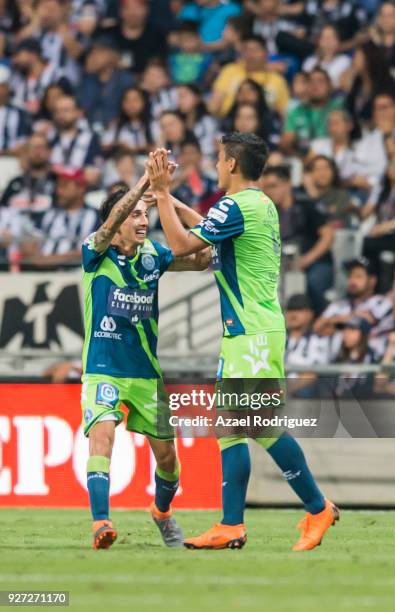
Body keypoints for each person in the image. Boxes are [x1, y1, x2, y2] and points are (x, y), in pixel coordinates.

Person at [147, 134, 339, 552]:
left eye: (218, 160)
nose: (216, 166)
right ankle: (258, 519)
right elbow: (210, 226)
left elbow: (182, 244)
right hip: (255, 330)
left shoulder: (237, 206)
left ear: (232, 163)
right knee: (246, 426)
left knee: (245, 426)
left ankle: (300, 510)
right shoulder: (260, 203)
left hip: (250, 333)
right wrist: (173, 202)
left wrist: (162, 194)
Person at [79, 167, 211, 549]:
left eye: (145, 214)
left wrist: (166, 196)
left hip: (146, 374)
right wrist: (140, 186)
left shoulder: (154, 255)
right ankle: (101, 522)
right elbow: (107, 227)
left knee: (168, 458)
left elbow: (204, 255)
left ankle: (162, 511)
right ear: (117, 220)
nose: (143, 220)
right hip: (103, 369)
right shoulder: (96, 252)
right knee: (102, 439)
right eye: (135, 214)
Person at [261, 165, 335, 314]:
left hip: (315, 262)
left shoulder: (307, 205)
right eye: (266, 188)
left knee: (314, 283)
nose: (269, 192)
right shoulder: (268, 212)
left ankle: (323, 319)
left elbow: (328, 236)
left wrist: (307, 259)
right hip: (284, 265)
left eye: (273, 186)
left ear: (287, 184)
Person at [314, 257, 395, 359]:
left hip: (373, 364)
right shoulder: (339, 304)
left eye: (358, 277)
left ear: (372, 281)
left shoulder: (382, 302)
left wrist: (335, 323)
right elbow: (317, 327)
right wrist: (352, 317)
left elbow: (366, 321)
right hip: (340, 363)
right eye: (350, 276)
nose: (352, 281)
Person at [23, 165, 99, 270]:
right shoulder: (47, 214)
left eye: (64, 185)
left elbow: (94, 250)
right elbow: (28, 244)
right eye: (58, 186)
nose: (59, 191)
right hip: (42, 273)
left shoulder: (96, 217)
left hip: (78, 276)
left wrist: (51, 260)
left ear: (81, 188)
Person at [209, 34, 289, 118]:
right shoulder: (230, 70)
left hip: (263, 127)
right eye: (246, 50)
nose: (250, 55)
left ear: (265, 53)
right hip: (228, 124)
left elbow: (284, 114)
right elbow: (215, 103)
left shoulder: (277, 80)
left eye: (255, 50)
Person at [361, 153, 395, 291]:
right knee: (366, 243)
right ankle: (370, 288)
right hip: (383, 236)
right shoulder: (382, 189)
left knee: (394, 244)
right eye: (392, 164)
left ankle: (387, 290)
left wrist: (389, 226)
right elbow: (364, 214)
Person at [76, 34, 135, 128]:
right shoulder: (86, 79)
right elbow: (82, 106)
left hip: (118, 130)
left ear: (112, 54)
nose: (94, 56)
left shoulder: (126, 79)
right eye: (92, 52)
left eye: (100, 52)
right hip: (89, 129)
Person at [281, 68, 343, 156]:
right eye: (311, 81)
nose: (315, 85)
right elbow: (285, 144)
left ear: (330, 86)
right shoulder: (296, 111)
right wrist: (302, 158)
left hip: (335, 155)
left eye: (320, 81)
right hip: (304, 159)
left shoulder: (339, 107)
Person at [0, 133, 56, 221]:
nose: (37, 152)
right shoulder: (15, 182)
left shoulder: (58, 182)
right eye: (32, 148)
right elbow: (3, 210)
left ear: (49, 152)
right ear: (26, 152)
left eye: (41, 147)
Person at [49, 94, 103, 185]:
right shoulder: (49, 138)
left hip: (81, 190)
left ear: (78, 112)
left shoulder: (90, 138)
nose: (60, 115)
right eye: (57, 111)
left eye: (65, 110)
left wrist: (64, 172)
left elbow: (93, 176)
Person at [11, 37, 72, 116]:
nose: (15, 60)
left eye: (18, 54)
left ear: (33, 55)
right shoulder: (20, 80)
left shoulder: (57, 77)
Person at [104, 0, 167, 75]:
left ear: (146, 10)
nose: (133, 13)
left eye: (138, 8)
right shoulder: (108, 34)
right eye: (128, 8)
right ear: (121, 11)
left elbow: (159, 67)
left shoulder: (158, 37)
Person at [101, 86, 152, 156]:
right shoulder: (116, 124)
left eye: (135, 100)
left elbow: (159, 149)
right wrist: (118, 145)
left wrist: (134, 149)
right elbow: (104, 146)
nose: (131, 105)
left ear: (144, 102)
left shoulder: (152, 124)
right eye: (127, 101)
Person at [309, 109, 356, 183]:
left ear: (349, 126)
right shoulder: (318, 144)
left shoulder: (358, 148)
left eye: (336, 123)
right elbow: (309, 170)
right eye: (330, 124)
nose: (332, 128)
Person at [303, 155, 351, 226]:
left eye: (326, 169)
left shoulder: (341, 196)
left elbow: (328, 217)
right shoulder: (300, 195)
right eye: (317, 169)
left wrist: (313, 195)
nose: (322, 174)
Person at [176, 83, 218, 160]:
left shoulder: (207, 122)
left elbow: (207, 150)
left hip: (204, 162)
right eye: (178, 97)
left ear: (197, 98)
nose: (180, 101)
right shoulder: (176, 122)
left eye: (184, 96)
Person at [168, 20, 212, 85]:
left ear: (198, 39)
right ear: (179, 41)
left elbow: (208, 77)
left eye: (191, 39)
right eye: (184, 40)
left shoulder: (207, 59)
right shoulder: (173, 59)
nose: (188, 43)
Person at [0, 64, 31, 154]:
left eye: (1, 86)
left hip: (12, 159)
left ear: (7, 88)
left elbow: (23, 140)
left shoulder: (20, 110)